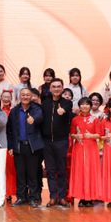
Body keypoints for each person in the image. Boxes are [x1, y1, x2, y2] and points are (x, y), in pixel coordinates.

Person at [6, 88, 44, 208]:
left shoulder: (36, 108)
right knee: (20, 173)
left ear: (31, 97)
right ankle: (21, 197)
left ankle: (33, 198)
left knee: (32, 174)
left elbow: (40, 117)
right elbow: (10, 130)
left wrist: (34, 119)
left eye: (28, 95)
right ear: (19, 96)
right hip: (18, 147)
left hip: (32, 147)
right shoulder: (14, 111)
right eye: (23, 95)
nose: (25, 97)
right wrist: (10, 146)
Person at [41, 78, 73, 207]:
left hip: (61, 141)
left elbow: (66, 109)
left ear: (62, 88)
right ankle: (53, 197)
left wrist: (62, 110)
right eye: (53, 86)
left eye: (58, 86)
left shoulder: (67, 103)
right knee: (50, 170)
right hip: (47, 142)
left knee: (61, 170)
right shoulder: (45, 103)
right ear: (50, 89)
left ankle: (62, 197)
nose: (56, 89)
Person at [68, 97, 101, 207]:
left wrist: (91, 135)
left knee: (91, 171)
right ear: (79, 106)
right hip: (79, 148)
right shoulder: (75, 120)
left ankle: (90, 197)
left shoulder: (95, 119)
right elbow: (72, 134)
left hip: (91, 148)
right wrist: (76, 136)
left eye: (87, 104)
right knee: (80, 171)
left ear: (90, 106)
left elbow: (99, 135)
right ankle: (81, 197)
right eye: (82, 104)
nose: (84, 106)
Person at [1, 90, 17, 201]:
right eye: (4, 97)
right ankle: (1, 191)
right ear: (1, 99)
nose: (6, 99)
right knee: (1, 168)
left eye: (8, 97)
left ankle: (10, 192)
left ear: (11, 99)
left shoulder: (14, 111)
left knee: (11, 169)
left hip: (11, 142)